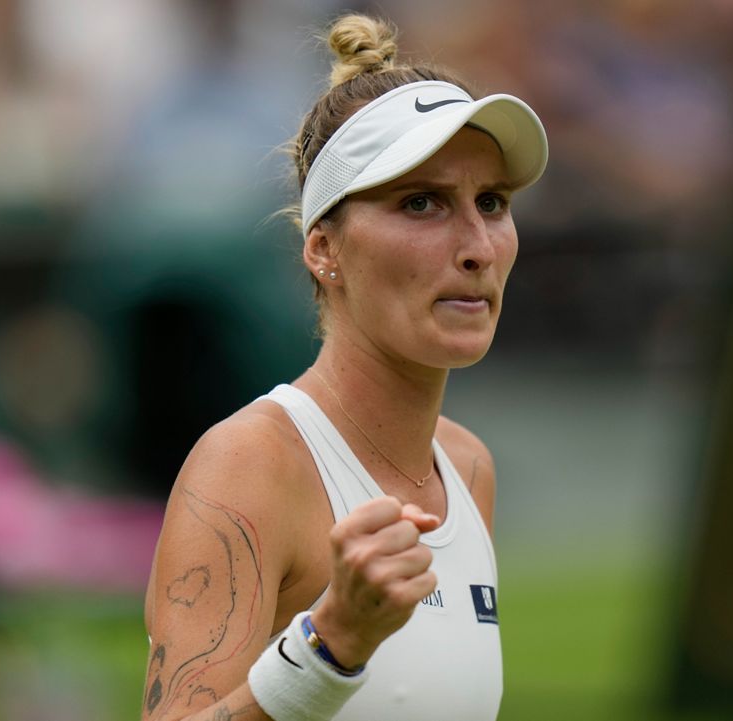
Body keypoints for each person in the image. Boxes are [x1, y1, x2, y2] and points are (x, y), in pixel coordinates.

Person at [141, 13, 548, 721]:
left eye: (492, 202)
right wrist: (330, 645)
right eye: (421, 202)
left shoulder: (468, 468)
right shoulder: (248, 463)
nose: (479, 246)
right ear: (324, 248)